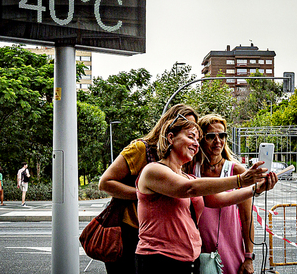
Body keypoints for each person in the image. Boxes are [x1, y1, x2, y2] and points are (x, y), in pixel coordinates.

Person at [135, 114, 277, 274]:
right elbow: (190, 188)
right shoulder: (154, 170)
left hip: (189, 261)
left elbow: (218, 199)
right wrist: (240, 181)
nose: (196, 143)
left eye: (197, 139)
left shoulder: (186, 176)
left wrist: (255, 189)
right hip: (160, 261)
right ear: (170, 138)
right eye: (191, 137)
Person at [98, 103, 200, 274]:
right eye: (186, 128)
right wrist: (144, 193)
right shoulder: (141, 148)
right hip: (130, 229)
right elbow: (105, 182)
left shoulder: (180, 158)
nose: (191, 135)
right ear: (170, 129)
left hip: (163, 238)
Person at [194, 114, 261, 274]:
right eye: (211, 136)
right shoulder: (190, 170)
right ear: (201, 139)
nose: (218, 141)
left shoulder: (237, 171)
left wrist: (249, 257)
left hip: (230, 250)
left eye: (222, 135)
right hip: (196, 250)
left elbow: (246, 217)